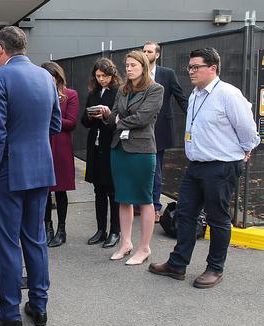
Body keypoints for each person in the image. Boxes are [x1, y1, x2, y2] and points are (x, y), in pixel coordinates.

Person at [149, 47, 260, 289]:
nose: (191, 71)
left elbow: (249, 132)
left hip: (221, 167)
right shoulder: (196, 95)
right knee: (185, 214)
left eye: (196, 67)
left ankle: (214, 268)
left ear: (213, 68)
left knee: (217, 219)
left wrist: (244, 150)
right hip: (196, 166)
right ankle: (177, 264)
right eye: (189, 67)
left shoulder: (229, 95)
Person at [0, 26, 61, 326]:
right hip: (40, 169)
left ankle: (9, 313)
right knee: (35, 238)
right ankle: (39, 306)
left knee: (7, 243)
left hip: (8, 172)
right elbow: (55, 124)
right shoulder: (46, 78)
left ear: (0, 49)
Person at [97, 50, 164, 265]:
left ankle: (144, 248)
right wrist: (107, 115)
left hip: (142, 151)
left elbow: (142, 118)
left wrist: (117, 121)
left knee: (144, 200)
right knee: (123, 199)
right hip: (120, 149)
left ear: (143, 66)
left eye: (133, 65)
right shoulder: (123, 90)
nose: (129, 69)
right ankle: (125, 243)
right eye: (127, 65)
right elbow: (114, 116)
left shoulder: (155, 89)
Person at [142, 41, 188, 221]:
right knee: (142, 167)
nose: (146, 54)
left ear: (157, 55)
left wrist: (193, 116)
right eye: (144, 51)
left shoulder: (167, 74)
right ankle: (142, 203)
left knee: (156, 169)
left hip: (160, 128)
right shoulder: (137, 72)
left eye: (149, 51)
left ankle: (155, 206)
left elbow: (179, 96)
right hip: (140, 128)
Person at [81, 58, 122, 248]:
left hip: (111, 145)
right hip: (95, 145)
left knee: (112, 190)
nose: (101, 80)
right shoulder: (94, 93)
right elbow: (84, 121)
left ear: (112, 75)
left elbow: (120, 120)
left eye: (104, 76)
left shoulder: (119, 92)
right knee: (98, 190)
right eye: (98, 76)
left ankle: (115, 230)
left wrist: (106, 116)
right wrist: (91, 115)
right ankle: (100, 229)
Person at [40, 61, 79, 248]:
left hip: (61, 145)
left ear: (58, 77)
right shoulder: (38, 94)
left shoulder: (70, 95)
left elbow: (71, 122)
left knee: (60, 189)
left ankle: (61, 229)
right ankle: (47, 226)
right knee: (44, 189)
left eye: (52, 77)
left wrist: (49, 116)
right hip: (42, 143)